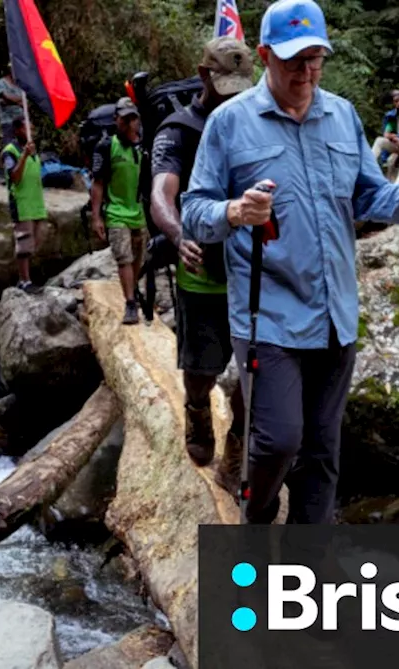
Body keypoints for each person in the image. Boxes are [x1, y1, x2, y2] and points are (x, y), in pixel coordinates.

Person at [181, 0, 399, 525]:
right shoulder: (230, 124)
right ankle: (257, 514)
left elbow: (369, 199)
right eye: (295, 59)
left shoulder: (341, 116)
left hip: (335, 316)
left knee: (322, 458)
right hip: (267, 316)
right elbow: (194, 211)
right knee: (278, 440)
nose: (306, 71)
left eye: (316, 58)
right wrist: (234, 210)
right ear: (266, 55)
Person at [149, 36, 255, 488]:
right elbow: (161, 192)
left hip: (255, 272)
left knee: (260, 376)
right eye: (222, 83)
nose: (232, 95)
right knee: (201, 371)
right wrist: (178, 234)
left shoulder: (255, 122)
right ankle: (197, 412)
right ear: (202, 74)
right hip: (203, 272)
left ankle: (238, 444)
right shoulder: (178, 129)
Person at [91, 97, 148, 325]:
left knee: (137, 259)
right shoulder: (106, 147)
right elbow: (98, 183)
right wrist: (97, 217)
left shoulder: (143, 147)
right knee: (124, 258)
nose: (129, 123)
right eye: (125, 119)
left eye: (133, 118)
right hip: (115, 212)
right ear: (116, 120)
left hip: (138, 212)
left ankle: (133, 290)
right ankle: (130, 303)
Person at [1, 117, 45, 292]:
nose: (31, 132)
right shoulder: (10, 152)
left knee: (37, 239)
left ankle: (29, 277)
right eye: (28, 128)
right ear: (18, 130)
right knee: (24, 243)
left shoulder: (33, 150)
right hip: (21, 203)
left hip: (36, 202)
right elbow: (15, 176)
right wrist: (25, 155)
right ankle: (24, 280)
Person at [0, 66, 25, 146]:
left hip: (21, 120)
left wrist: (13, 101)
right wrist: (20, 101)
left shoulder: (19, 84)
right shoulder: (1, 82)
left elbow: (25, 100)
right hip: (8, 120)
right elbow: (5, 98)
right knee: (9, 146)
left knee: (23, 146)